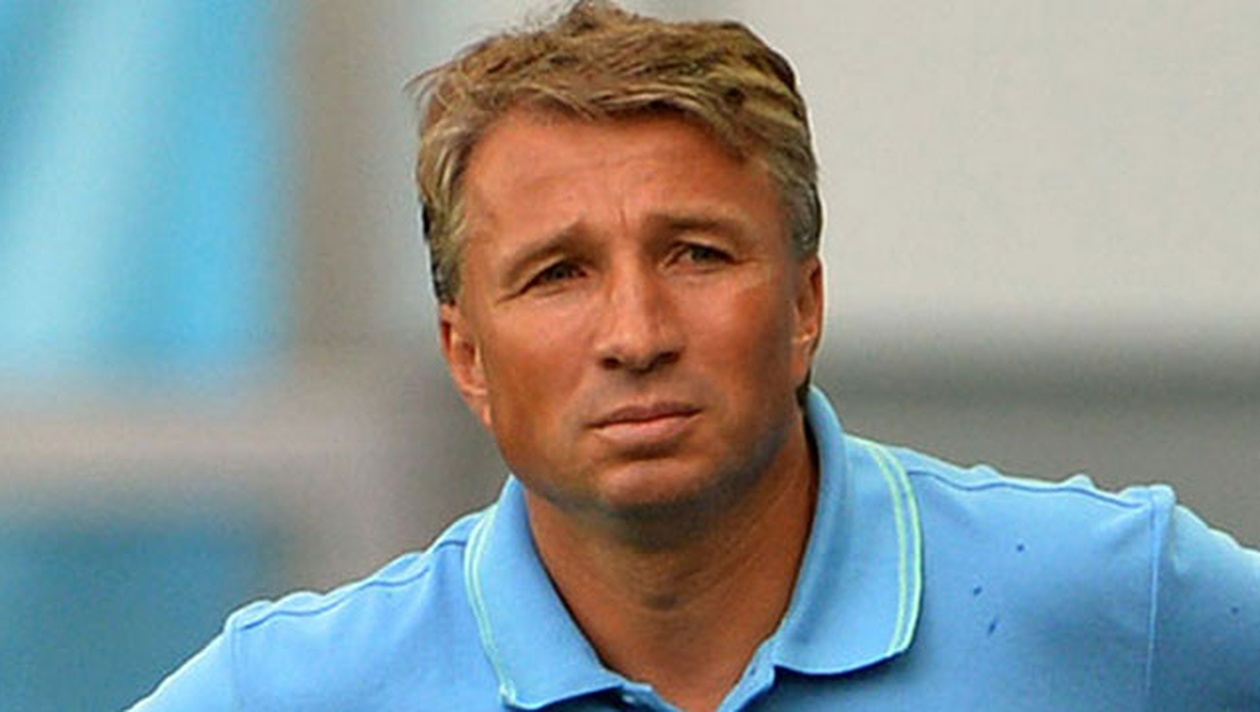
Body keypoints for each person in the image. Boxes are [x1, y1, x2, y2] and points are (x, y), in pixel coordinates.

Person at [131, 2, 1259, 710]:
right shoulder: (293, 689)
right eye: (558, 274)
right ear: (464, 356)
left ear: (805, 303)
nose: (636, 334)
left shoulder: (1123, 600)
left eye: (698, 254)